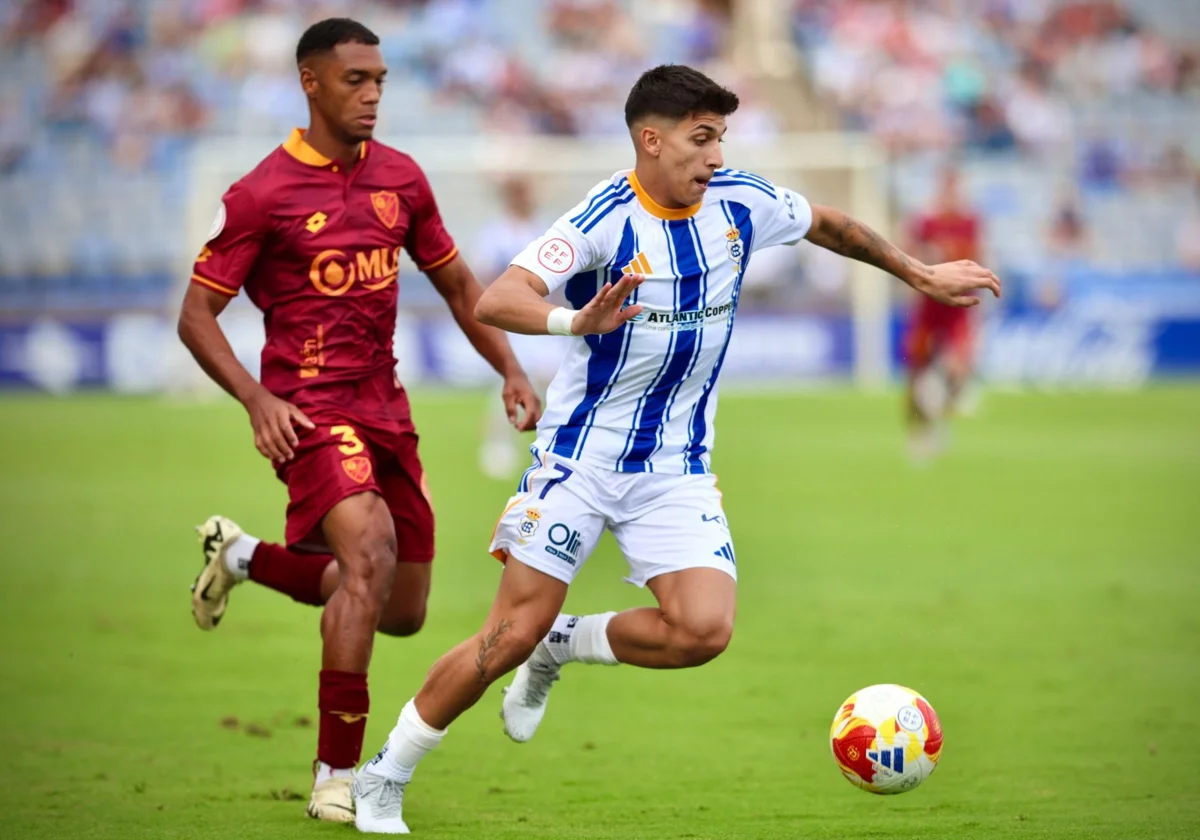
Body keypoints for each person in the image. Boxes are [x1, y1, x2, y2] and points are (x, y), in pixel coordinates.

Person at [351, 64, 1000, 834]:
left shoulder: (741, 201)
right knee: (504, 637)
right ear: (651, 140)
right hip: (579, 462)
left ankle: (563, 645)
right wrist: (573, 324)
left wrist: (917, 271)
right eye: (701, 139)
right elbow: (500, 297)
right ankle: (383, 776)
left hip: (676, 470)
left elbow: (828, 223)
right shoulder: (602, 218)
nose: (716, 155)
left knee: (703, 631)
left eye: (721, 136)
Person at [175, 18, 541, 823]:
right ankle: (336, 775)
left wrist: (510, 366)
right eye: (355, 80)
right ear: (311, 82)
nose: (372, 93)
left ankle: (241, 557)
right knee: (369, 555)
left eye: (379, 80)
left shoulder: (402, 180)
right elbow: (197, 315)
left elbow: (457, 287)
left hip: (387, 408)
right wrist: (257, 399)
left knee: (398, 608)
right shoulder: (262, 192)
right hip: (307, 413)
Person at [903, 165, 984, 458]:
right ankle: (917, 432)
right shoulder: (926, 221)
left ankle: (942, 407)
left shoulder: (971, 222)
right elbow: (907, 257)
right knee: (916, 371)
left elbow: (979, 258)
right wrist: (927, 260)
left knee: (957, 367)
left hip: (958, 305)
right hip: (928, 306)